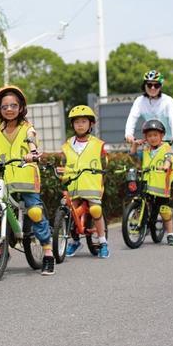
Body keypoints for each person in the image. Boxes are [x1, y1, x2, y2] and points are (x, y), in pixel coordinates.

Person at [0, 85, 56, 275]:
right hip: (4, 178)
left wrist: (33, 152)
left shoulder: (27, 127)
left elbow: (31, 139)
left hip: (26, 176)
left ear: (21, 107)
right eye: (4, 107)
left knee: (34, 212)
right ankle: (3, 252)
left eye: (13, 105)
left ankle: (48, 253)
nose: (9, 109)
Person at [124, 70, 173, 220]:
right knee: (146, 177)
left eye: (156, 85)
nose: (153, 88)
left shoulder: (168, 100)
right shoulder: (139, 101)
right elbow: (132, 117)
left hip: (172, 144)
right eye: (150, 85)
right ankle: (146, 213)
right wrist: (129, 133)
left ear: (161, 86)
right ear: (145, 86)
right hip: (153, 144)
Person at [58, 105, 110, 258]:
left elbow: (104, 163)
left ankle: (103, 241)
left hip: (91, 185)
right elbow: (63, 163)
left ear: (91, 124)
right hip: (73, 184)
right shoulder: (67, 145)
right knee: (70, 212)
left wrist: (101, 178)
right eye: (76, 122)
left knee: (95, 210)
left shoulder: (98, 144)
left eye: (83, 121)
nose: (80, 125)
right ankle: (74, 241)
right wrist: (62, 174)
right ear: (72, 125)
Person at [130, 119, 173, 246]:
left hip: (161, 186)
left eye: (155, 135)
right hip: (146, 184)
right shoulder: (145, 149)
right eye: (149, 135)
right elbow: (133, 156)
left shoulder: (166, 147)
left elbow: (169, 158)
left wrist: (166, 166)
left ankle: (170, 234)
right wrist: (135, 145)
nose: (152, 138)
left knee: (164, 210)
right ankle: (140, 223)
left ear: (162, 136)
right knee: (140, 203)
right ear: (145, 137)